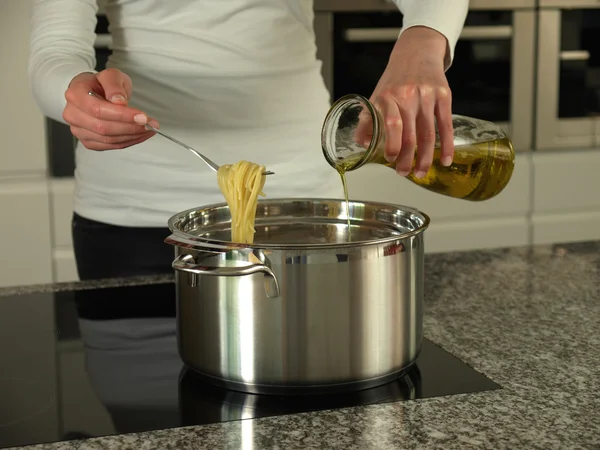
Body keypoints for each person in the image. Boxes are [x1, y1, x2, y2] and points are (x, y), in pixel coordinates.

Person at [29, 0, 468, 281]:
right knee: (147, 419)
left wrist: (424, 39)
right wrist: (79, 98)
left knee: (312, 415)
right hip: (132, 214)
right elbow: (55, 50)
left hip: (301, 206)